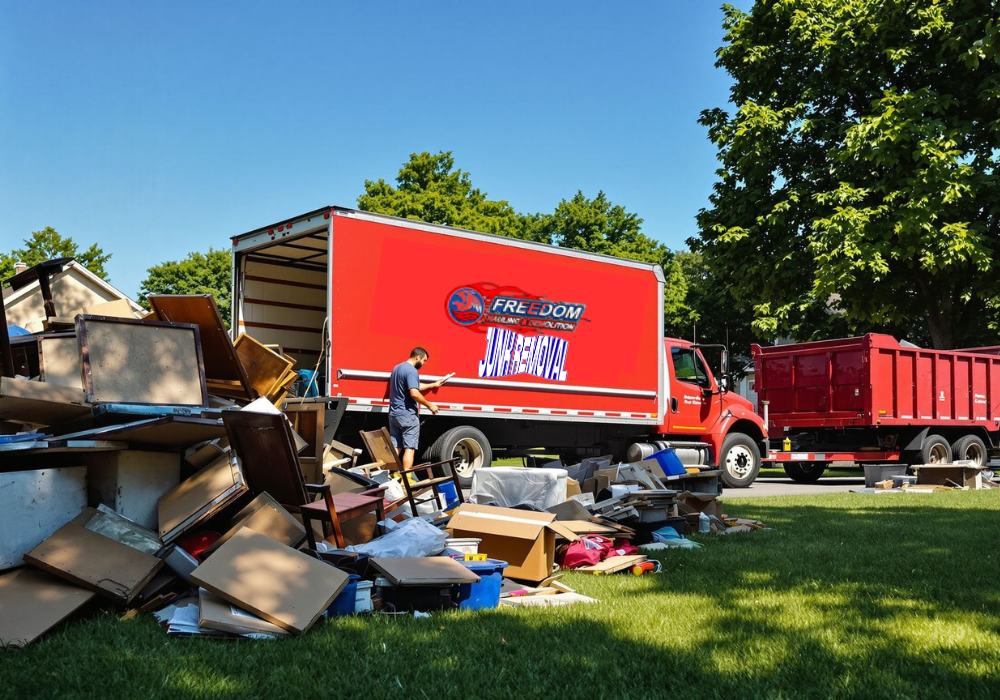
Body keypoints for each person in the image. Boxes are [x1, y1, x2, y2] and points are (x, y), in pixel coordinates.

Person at [387, 347, 454, 471]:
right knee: (409, 447)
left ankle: (390, 474)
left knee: (396, 446)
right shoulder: (411, 370)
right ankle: (406, 478)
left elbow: (415, 386)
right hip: (408, 414)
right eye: (424, 360)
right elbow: (414, 393)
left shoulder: (397, 368)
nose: (423, 364)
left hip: (394, 413)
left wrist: (433, 384)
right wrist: (430, 405)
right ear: (418, 357)